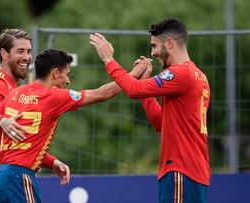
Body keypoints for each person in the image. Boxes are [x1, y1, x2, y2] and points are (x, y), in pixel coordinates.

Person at [0, 49, 148, 202]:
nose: (68, 81)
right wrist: (132, 75)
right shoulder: (54, 96)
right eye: (67, 74)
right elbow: (102, 94)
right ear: (56, 73)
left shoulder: (16, 92)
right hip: (18, 178)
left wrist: (50, 161)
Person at [90, 17, 210, 203]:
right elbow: (160, 122)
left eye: (155, 46)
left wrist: (108, 59)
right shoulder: (198, 76)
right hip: (189, 169)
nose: (153, 53)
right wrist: (143, 80)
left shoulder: (180, 73)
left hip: (181, 168)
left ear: (169, 43)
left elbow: (133, 90)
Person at [0, 28, 70, 194]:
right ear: (4, 54)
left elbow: (20, 139)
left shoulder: (15, 88)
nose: (26, 57)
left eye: (29, 51)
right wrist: (1, 120)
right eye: (20, 51)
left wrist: (50, 161)